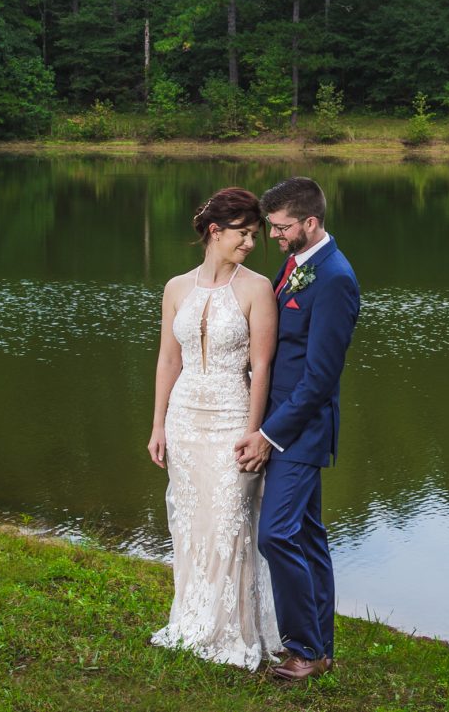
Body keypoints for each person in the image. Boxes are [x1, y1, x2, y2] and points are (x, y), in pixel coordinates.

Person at [147, 187, 283, 669]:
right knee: (191, 524)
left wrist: (255, 434)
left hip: (232, 417)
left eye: (255, 236)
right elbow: (168, 358)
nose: (250, 243)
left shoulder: (256, 288)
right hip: (184, 420)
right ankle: (191, 620)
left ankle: (232, 633)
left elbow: (262, 368)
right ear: (214, 232)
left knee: (230, 523)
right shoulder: (176, 287)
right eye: (242, 235)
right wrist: (157, 424)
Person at [234, 176, 360, 683]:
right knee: (307, 537)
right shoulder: (298, 263)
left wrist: (269, 434)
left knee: (277, 535)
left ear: (310, 222)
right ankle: (320, 647)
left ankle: (304, 649)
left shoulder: (334, 278)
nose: (274, 237)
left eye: (282, 228)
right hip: (282, 423)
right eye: (271, 227)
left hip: (299, 432)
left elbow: (320, 378)